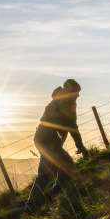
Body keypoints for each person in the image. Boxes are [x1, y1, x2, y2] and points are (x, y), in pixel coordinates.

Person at [26, 79, 89, 209]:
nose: (78, 95)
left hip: (44, 138)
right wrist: (80, 146)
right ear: (68, 91)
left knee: (58, 169)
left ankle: (50, 197)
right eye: (76, 92)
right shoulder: (66, 103)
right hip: (49, 140)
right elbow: (72, 126)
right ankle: (33, 205)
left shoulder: (59, 100)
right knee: (52, 171)